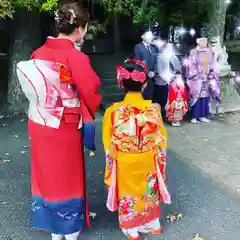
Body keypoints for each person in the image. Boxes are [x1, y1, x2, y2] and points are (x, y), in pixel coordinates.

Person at [16, 2, 102, 240]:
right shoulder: (75, 56)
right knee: (67, 174)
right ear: (80, 28)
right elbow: (90, 88)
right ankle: (69, 227)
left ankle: (54, 227)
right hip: (65, 123)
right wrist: (87, 109)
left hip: (40, 122)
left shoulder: (39, 52)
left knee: (46, 172)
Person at [102, 58, 171, 240]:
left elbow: (108, 144)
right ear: (145, 84)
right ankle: (152, 223)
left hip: (125, 162)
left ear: (120, 83)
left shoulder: (113, 112)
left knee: (129, 194)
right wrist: (160, 164)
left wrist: (111, 165)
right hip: (147, 159)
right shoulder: (153, 110)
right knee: (149, 190)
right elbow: (161, 142)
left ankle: (132, 229)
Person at [186, 37, 221, 123]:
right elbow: (191, 65)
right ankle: (194, 116)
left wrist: (211, 74)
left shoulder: (209, 52)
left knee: (205, 97)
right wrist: (199, 76)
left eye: (205, 41)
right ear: (198, 42)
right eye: (202, 41)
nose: (204, 43)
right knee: (197, 96)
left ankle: (202, 115)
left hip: (208, 77)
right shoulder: (193, 52)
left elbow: (213, 63)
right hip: (197, 78)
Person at [153, 38, 183, 119]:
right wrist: (168, 79)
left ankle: (170, 115)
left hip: (173, 83)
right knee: (160, 100)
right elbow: (160, 71)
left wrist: (175, 77)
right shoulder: (160, 57)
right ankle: (157, 116)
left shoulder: (174, 58)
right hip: (161, 82)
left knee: (171, 100)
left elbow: (179, 69)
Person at [133, 30, 157, 100]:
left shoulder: (153, 48)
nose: (150, 37)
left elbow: (156, 63)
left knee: (150, 98)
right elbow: (138, 63)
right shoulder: (138, 47)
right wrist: (147, 72)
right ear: (142, 36)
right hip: (142, 79)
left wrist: (154, 72)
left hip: (152, 79)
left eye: (151, 35)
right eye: (148, 35)